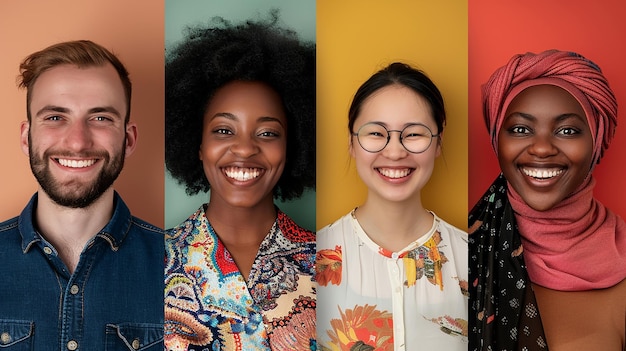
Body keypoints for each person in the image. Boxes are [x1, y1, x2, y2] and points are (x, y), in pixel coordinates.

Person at [163, 15, 316, 351]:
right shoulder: (150, 262)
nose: (246, 148)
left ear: (293, 146)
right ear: (198, 144)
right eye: (223, 130)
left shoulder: (331, 265)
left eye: (268, 133)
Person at [0, 40, 164, 349]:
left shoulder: (179, 267)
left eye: (100, 118)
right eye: (55, 117)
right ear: (26, 136)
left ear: (128, 140)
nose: (77, 143)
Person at [469, 49, 626, 350]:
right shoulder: (461, 257)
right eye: (520, 129)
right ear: (496, 140)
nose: (541, 149)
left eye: (567, 130)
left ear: (596, 141)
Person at [316, 62, 468, 351]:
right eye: (375, 133)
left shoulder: (474, 261)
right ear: (351, 141)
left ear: (438, 143)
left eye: (413, 134)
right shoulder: (310, 261)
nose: (395, 151)